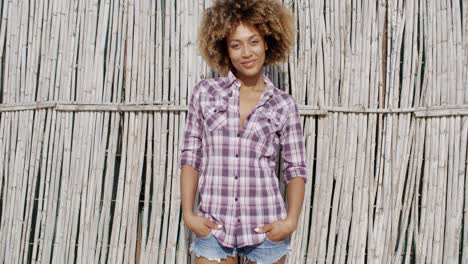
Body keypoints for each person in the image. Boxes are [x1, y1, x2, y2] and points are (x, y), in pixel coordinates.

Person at [179, 0, 307, 263]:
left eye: (254, 41)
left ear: (268, 42)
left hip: (265, 230)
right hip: (214, 229)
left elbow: (296, 168)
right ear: (225, 49)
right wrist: (189, 215)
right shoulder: (205, 94)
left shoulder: (283, 104)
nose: (246, 52)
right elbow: (191, 157)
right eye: (236, 45)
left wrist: (290, 221)